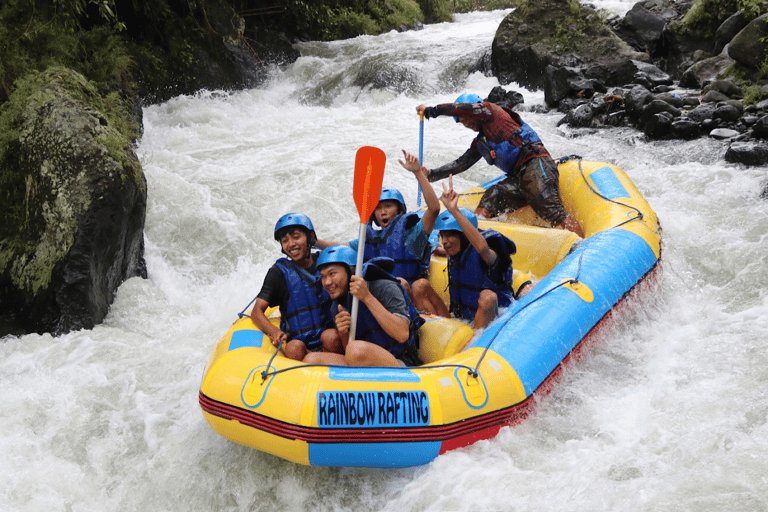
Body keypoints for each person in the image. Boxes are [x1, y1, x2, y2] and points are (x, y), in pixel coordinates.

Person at [416, 94, 584, 238]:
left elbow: (458, 108)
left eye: (466, 117)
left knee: (552, 210)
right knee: (492, 196)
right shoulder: (481, 142)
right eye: (462, 121)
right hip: (518, 178)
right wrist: (430, 174)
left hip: (536, 163)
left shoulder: (492, 111)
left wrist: (431, 111)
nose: (466, 122)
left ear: (476, 110)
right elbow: (461, 163)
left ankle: (582, 244)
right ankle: (475, 243)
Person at [318, 149, 449, 317]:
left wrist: (418, 172)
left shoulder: (412, 237)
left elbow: (434, 208)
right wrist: (313, 240)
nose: (383, 212)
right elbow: (338, 248)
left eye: (388, 206)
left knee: (413, 284)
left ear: (400, 210)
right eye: (378, 208)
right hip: (384, 302)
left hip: (412, 305)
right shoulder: (370, 240)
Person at [430, 176, 529, 329]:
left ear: (464, 236)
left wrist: (454, 210)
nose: (444, 241)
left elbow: (482, 249)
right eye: (443, 236)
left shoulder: (489, 255)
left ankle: (473, 348)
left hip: (496, 323)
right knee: (420, 287)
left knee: (488, 297)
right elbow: (446, 249)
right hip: (463, 321)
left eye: (450, 235)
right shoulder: (455, 251)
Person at [303, 245, 424, 367]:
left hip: (400, 361)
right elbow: (349, 352)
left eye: (332, 274)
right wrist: (344, 333)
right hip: (362, 359)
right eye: (323, 276)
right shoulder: (337, 305)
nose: (327, 282)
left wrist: (367, 297)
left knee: (355, 350)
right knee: (311, 360)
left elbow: (402, 334)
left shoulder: (385, 287)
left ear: (351, 272)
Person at [250, 213, 338, 361]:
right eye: (285, 240)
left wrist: (317, 241)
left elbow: (347, 251)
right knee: (293, 347)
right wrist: (274, 331)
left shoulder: (326, 262)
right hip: (300, 345)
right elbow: (256, 312)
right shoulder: (277, 273)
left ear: (310, 237)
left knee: (331, 337)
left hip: (330, 342)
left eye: (296, 237)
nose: (291, 244)